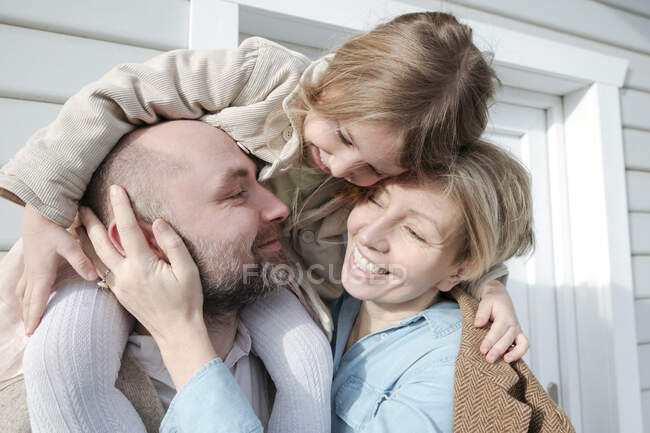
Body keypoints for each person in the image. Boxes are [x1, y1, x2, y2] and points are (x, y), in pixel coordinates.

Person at [0, 11, 527, 433]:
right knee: (65, 357)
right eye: (341, 137)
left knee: (306, 359)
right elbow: (120, 96)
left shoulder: (383, 201)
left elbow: (455, 224)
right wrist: (44, 204)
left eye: (372, 168)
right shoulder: (264, 76)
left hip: (270, 276)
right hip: (134, 243)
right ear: (336, 80)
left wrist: (490, 286)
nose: (342, 168)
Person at [80, 141, 574, 433]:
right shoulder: (335, 295)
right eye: (377, 201)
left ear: (457, 271)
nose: (372, 237)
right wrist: (45, 211)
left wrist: (177, 331)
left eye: (416, 232)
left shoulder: (448, 370)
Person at [0, 120, 332, 433]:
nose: (278, 207)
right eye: (236, 193)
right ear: (146, 242)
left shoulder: (330, 352)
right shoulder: (40, 408)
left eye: (259, 182)